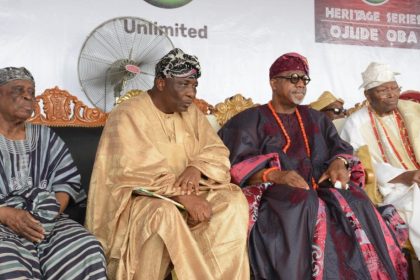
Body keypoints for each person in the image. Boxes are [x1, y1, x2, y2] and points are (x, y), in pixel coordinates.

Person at [218, 53, 408, 279]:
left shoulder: (316, 119)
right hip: (277, 195)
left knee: (355, 199)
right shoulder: (249, 120)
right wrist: (275, 175)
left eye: (304, 80)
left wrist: (340, 162)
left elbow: (341, 148)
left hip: (320, 187)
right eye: (293, 78)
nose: (300, 84)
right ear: (274, 83)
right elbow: (234, 165)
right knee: (307, 203)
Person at [85, 48, 249, 280]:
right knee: (164, 213)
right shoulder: (127, 114)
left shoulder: (192, 114)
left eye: (194, 86)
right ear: (161, 83)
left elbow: (216, 151)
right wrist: (181, 197)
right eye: (183, 85)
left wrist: (196, 167)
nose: (191, 93)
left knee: (231, 201)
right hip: (140, 201)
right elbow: (133, 171)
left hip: (192, 191)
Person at [0, 67, 106, 279]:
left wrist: (50, 215)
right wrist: (6, 214)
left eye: (31, 91)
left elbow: (66, 182)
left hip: (47, 220)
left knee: (87, 248)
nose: (27, 95)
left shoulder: (45, 136)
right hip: (1, 221)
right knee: (8, 262)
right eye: (18, 89)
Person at [340, 62, 420, 259]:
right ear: (368, 95)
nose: (392, 94)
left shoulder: (412, 111)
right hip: (394, 188)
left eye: (394, 88)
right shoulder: (355, 123)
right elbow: (358, 165)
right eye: (383, 90)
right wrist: (406, 176)